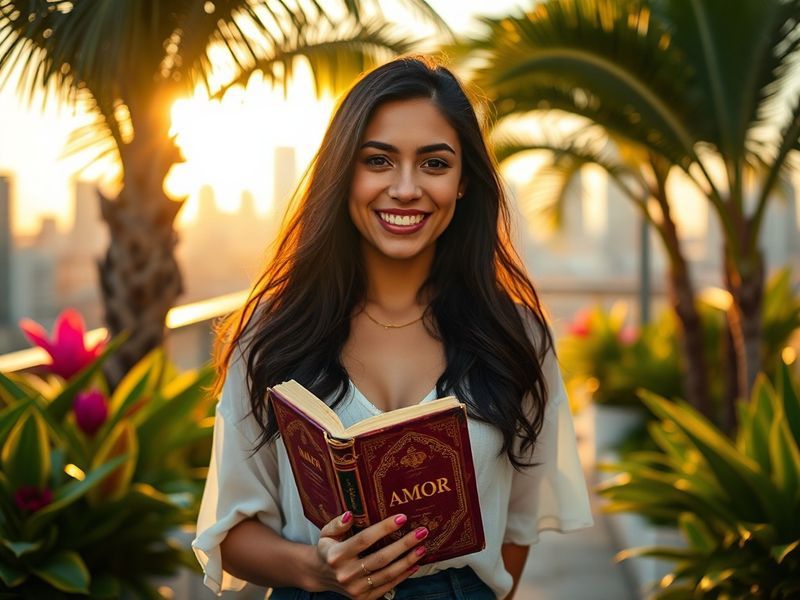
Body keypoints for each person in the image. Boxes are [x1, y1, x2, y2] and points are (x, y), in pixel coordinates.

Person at [193, 55, 592, 600]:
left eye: (434, 164)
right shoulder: (273, 332)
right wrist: (316, 569)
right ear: (343, 173)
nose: (405, 189)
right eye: (378, 161)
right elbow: (230, 531)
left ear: (464, 183)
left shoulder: (514, 337)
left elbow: (516, 531)